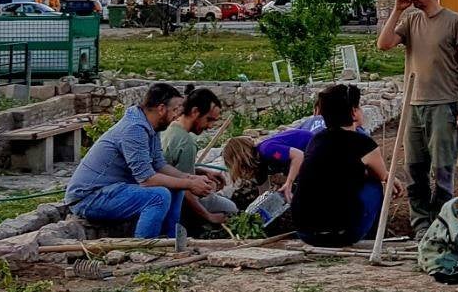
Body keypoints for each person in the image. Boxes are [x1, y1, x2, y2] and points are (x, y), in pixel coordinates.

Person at [375, 0, 458, 240]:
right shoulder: (410, 20)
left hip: (443, 105)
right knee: (415, 170)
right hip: (413, 106)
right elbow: (383, 44)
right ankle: (420, 226)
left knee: (442, 169)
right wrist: (397, 10)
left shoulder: (455, 21)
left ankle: (441, 226)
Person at [64, 82, 217, 238]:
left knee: (177, 188)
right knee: (159, 196)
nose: (178, 115)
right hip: (89, 197)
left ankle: (172, 240)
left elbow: (159, 164)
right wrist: (190, 184)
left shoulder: (152, 127)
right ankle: (145, 246)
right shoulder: (134, 129)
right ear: (161, 109)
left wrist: (189, 178)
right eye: (175, 109)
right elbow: (146, 179)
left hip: (113, 190)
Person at [292, 84, 403, 247]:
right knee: (374, 185)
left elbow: (337, 171)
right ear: (353, 112)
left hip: (305, 233)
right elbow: (384, 176)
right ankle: (373, 237)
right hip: (342, 235)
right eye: (358, 106)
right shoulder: (364, 144)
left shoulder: (316, 140)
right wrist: (390, 178)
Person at [161, 87, 239, 231]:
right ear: (195, 112)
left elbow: (172, 168)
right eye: (208, 119)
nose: (209, 126)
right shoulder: (186, 142)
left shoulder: (168, 128)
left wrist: (202, 171)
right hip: (174, 199)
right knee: (231, 209)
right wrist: (209, 216)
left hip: (165, 192)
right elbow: (185, 190)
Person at [223, 127, 311, 202]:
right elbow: (263, 194)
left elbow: (298, 156)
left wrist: (288, 183)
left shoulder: (267, 150)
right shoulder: (259, 165)